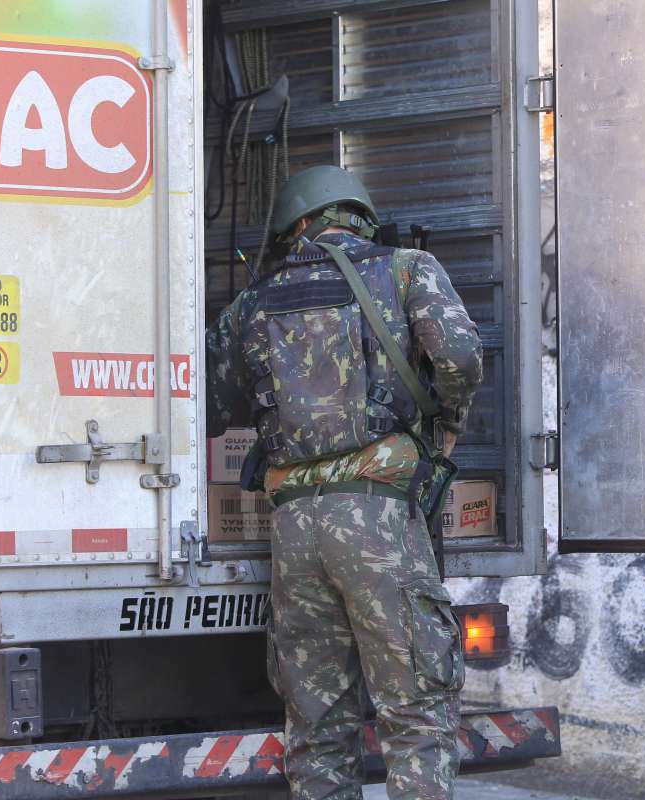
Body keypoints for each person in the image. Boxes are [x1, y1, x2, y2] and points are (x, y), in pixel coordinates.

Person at [206, 165, 483, 800]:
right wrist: (446, 428)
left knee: (317, 726)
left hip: (293, 527)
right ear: (358, 214)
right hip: (377, 516)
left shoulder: (252, 302)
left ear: (295, 225)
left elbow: (214, 404)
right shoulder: (407, 268)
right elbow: (461, 357)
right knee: (414, 711)